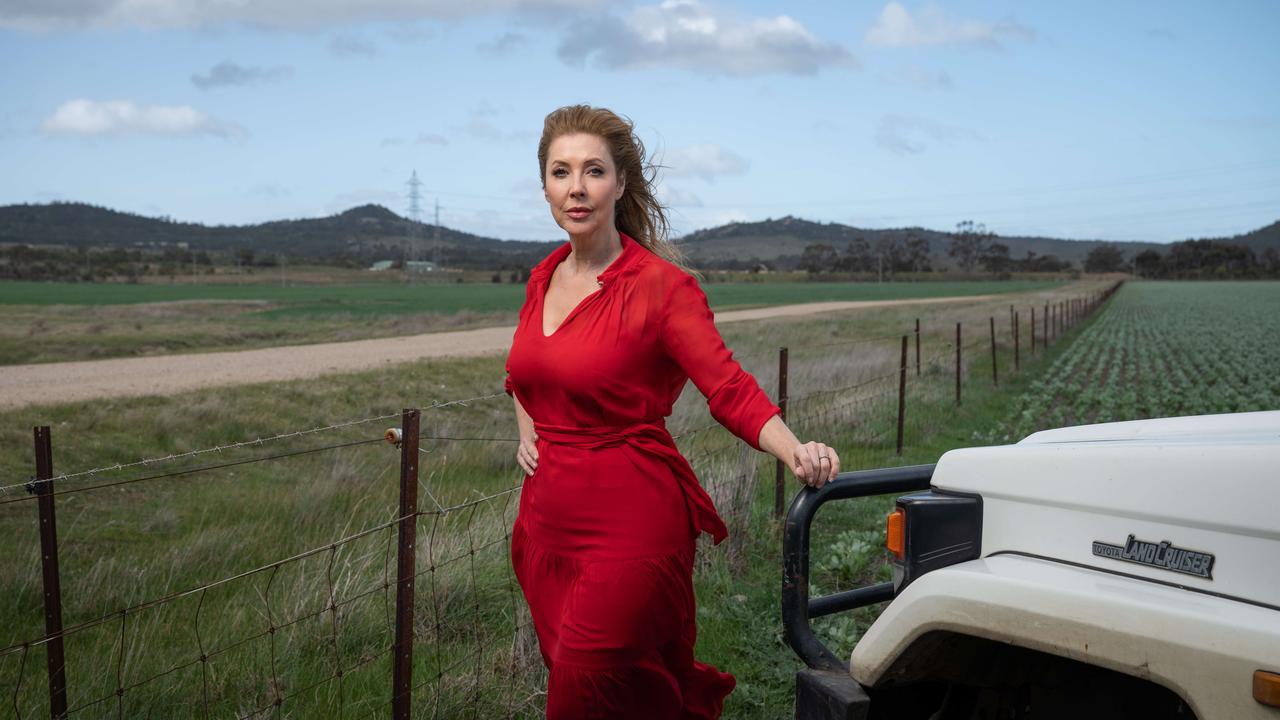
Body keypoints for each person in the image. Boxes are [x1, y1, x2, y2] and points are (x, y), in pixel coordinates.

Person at [504, 104, 841, 719]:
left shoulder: (661, 287)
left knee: (583, 688)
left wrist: (795, 450)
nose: (576, 187)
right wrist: (527, 432)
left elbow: (728, 386)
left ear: (621, 183)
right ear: (545, 184)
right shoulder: (542, 278)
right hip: (544, 532)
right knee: (615, 694)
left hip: (629, 528)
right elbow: (523, 375)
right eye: (560, 171)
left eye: (593, 171)